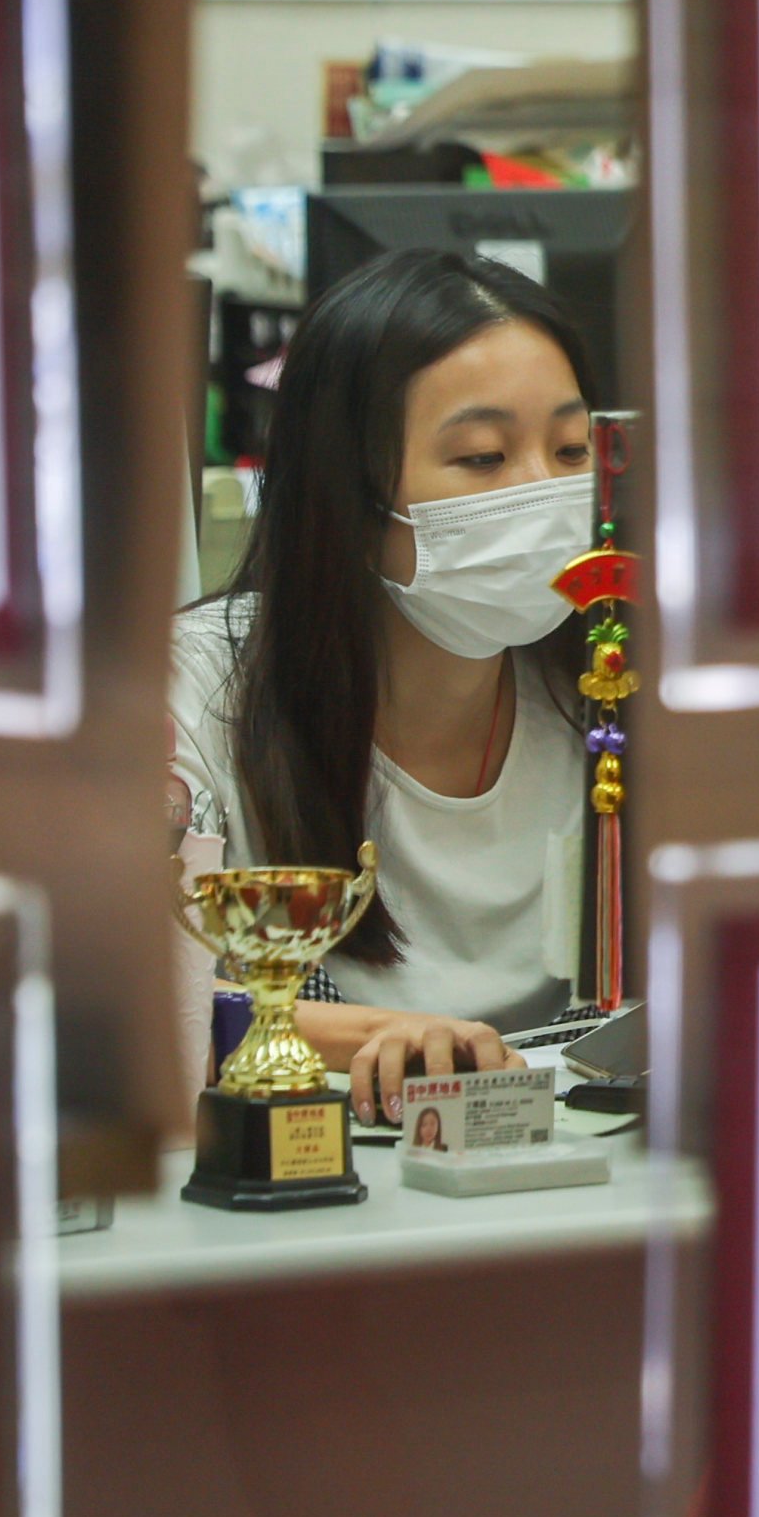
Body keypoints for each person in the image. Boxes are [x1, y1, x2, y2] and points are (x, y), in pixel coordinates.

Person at [168, 249, 599, 1125]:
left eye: (572, 449)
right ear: (349, 496)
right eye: (482, 457)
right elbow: (141, 1000)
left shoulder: (616, 679)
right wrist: (389, 1034)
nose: (547, 498)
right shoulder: (197, 686)